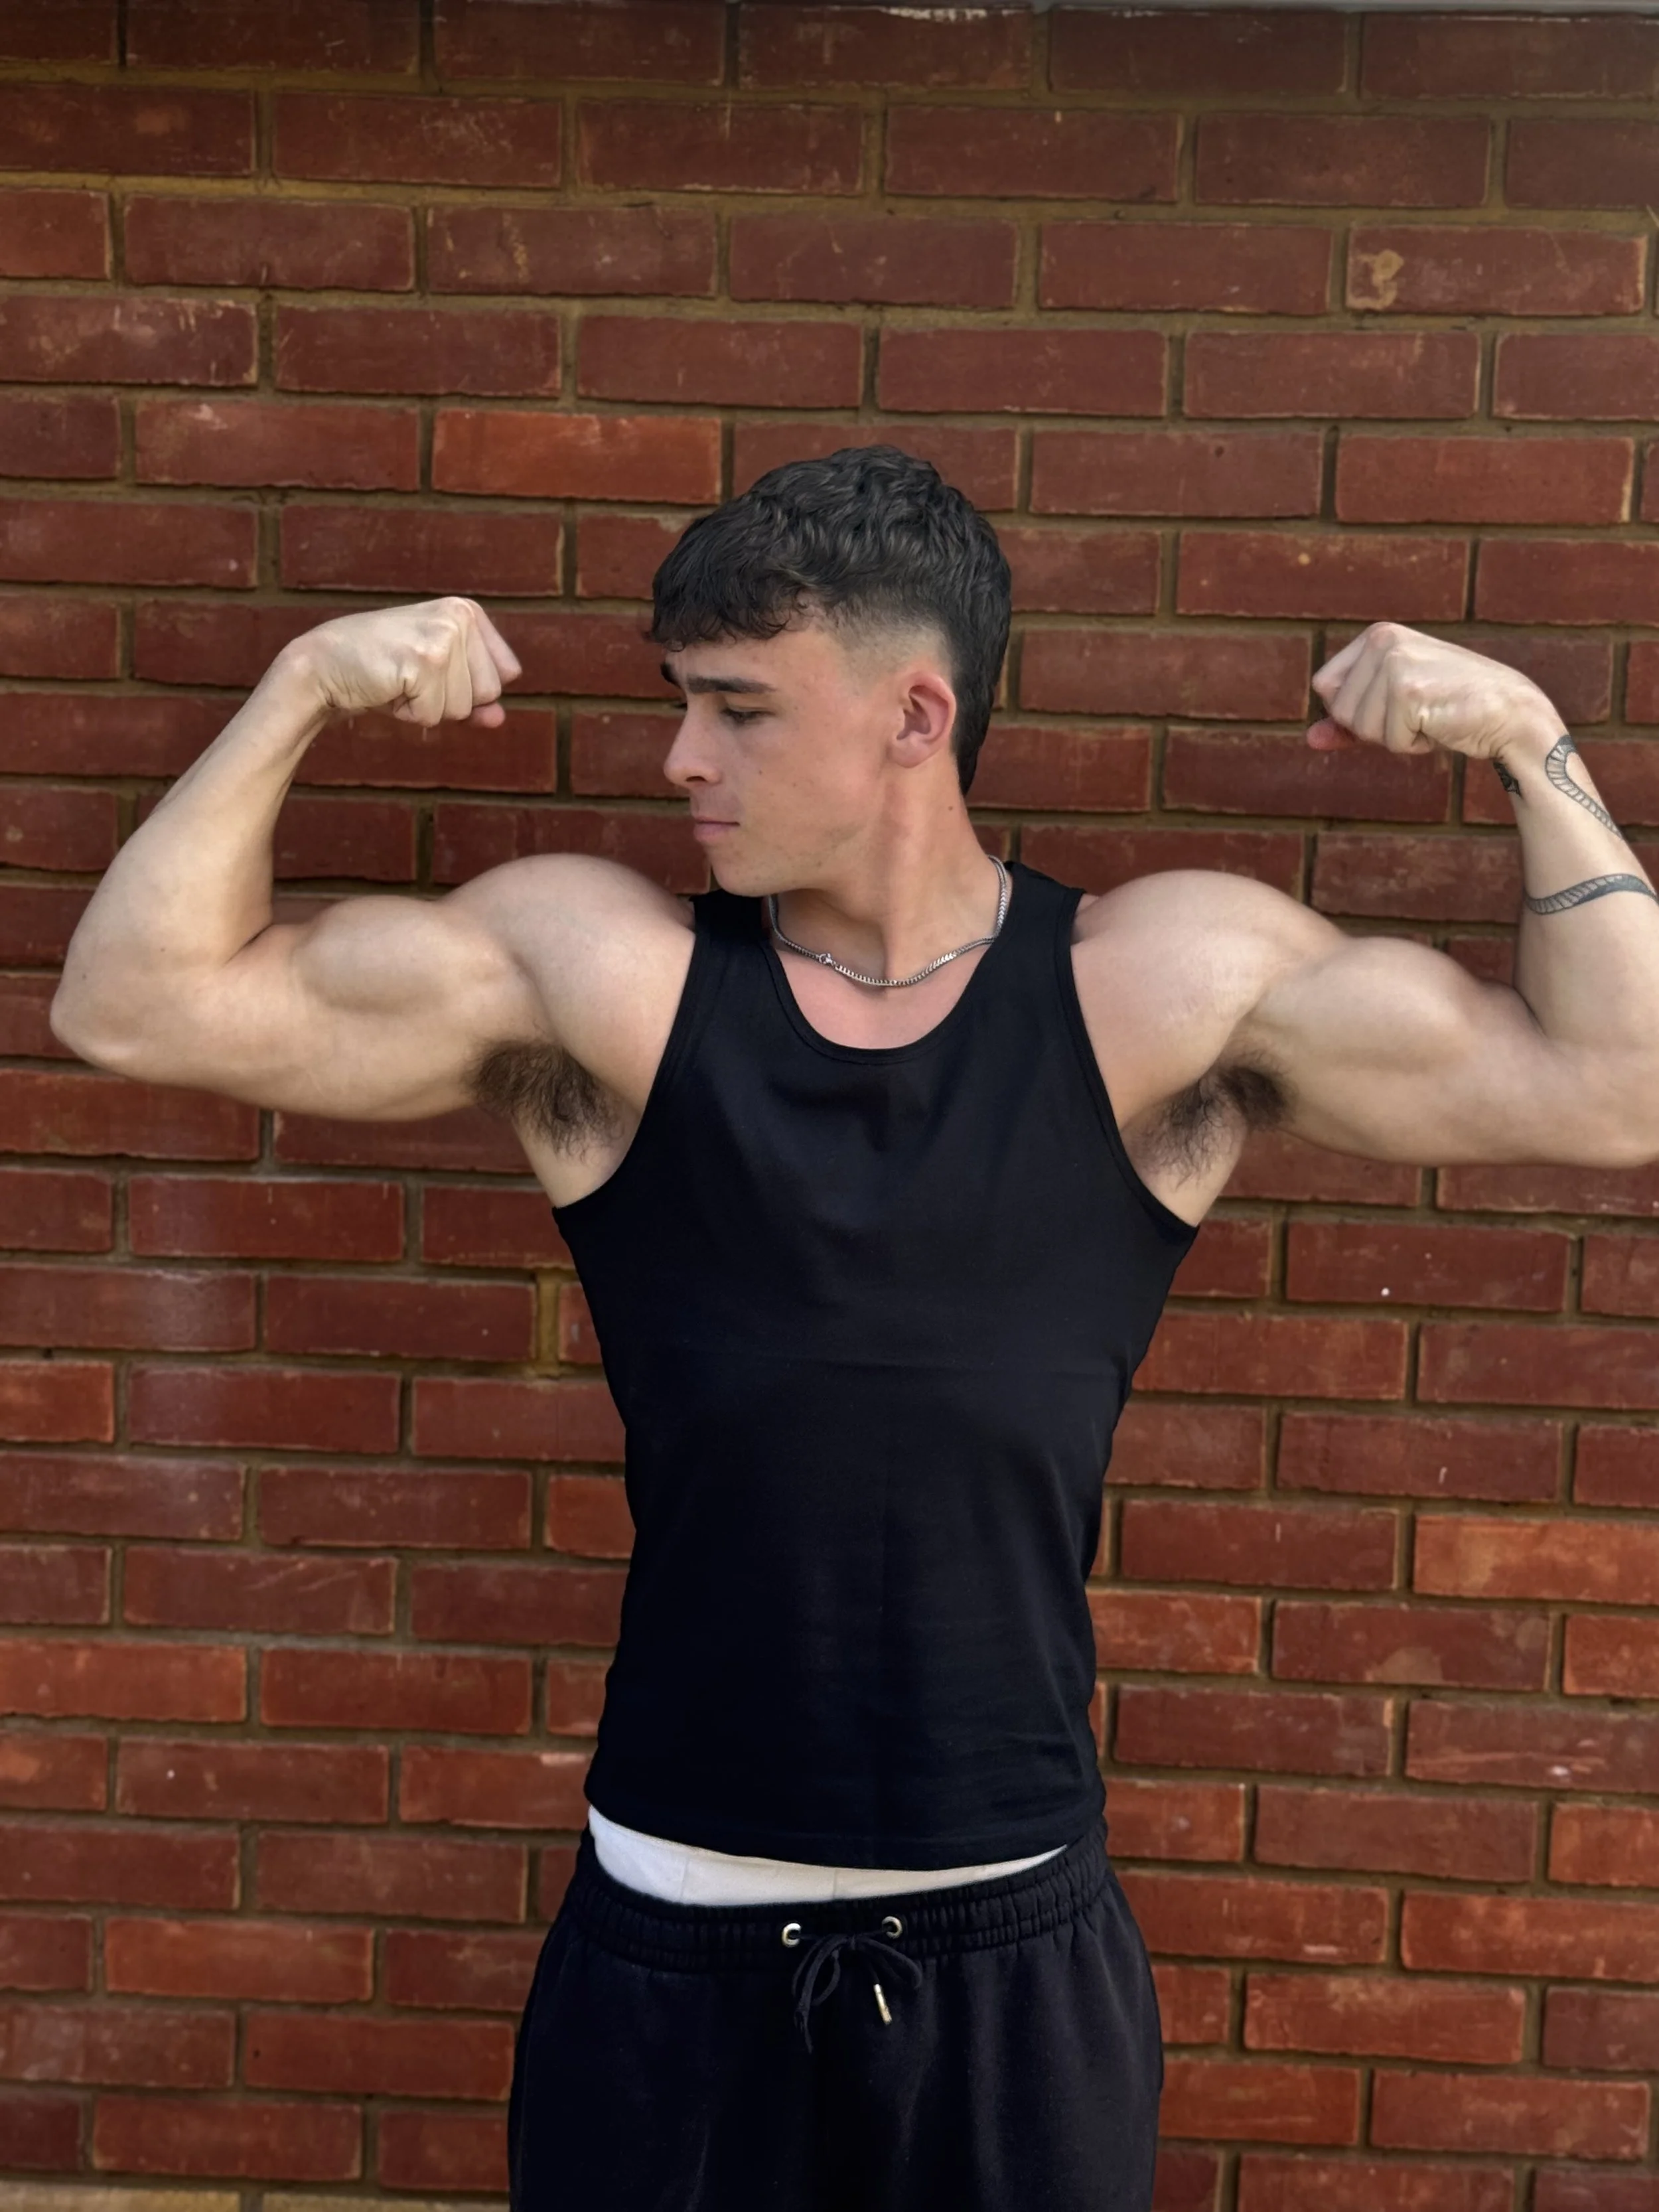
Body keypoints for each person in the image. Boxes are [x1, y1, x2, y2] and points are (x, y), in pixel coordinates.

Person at [50, 447, 1659, 2212]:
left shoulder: (1159, 989)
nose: (680, 758)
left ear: (914, 714)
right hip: (672, 1937)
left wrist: (1523, 738)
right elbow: (134, 1004)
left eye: (735, 710)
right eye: (683, 706)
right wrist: (297, 691)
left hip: (1009, 1944)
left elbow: (1611, 1085)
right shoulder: (607, 979)